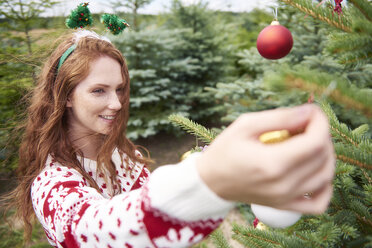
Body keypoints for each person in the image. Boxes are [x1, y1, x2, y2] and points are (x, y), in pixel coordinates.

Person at [3, 30, 335, 248]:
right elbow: (96, 231)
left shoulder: (121, 156)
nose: (116, 103)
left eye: (120, 89)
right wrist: (210, 179)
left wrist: (215, 173)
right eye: (99, 91)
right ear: (66, 97)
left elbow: (159, 215)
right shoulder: (51, 183)